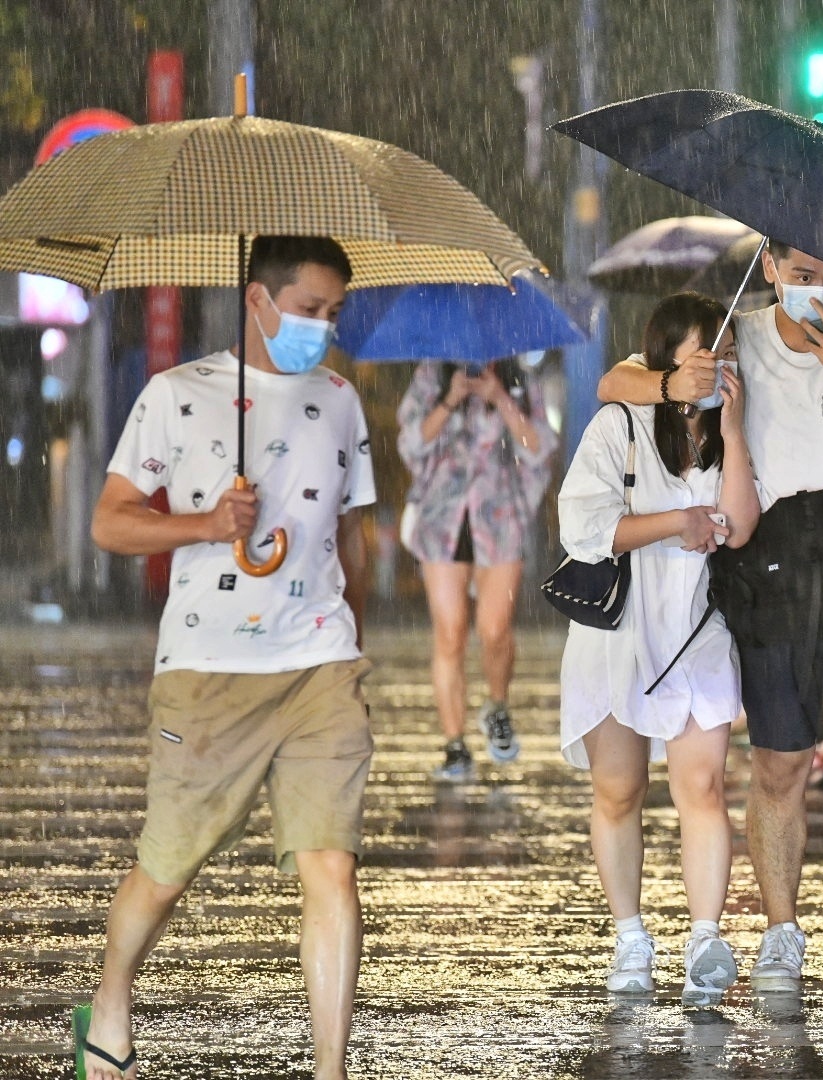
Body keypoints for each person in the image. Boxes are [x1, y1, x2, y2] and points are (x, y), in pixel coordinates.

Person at [598, 240, 823, 1003]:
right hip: (768, 582)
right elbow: (613, 383)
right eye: (804, 276)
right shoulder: (733, 342)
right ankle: (781, 932)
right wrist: (670, 379)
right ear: (772, 267)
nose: (819, 292)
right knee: (778, 765)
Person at [82, 236, 373, 1080]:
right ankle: (110, 995)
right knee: (167, 868)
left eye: (333, 313)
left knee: (331, 865)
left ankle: (330, 1069)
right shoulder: (176, 395)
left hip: (321, 662)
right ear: (258, 299)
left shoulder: (343, 400)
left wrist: (357, 641)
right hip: (207, 668)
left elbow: (350, 534)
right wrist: (205, 526)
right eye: (309, 309)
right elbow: (111, 522)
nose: (321, 328)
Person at [560, 292, 760, 1007]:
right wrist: (676, 521)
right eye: (712, 351)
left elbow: (738, 527)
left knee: (702, 788)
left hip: (697, 625)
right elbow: (584, 528)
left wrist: (732, 430)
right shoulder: (619, 422)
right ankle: (630, 937)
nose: (724, 366)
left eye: (732, 353)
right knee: (619, 791)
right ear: (672, 356)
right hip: (620, 628)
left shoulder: (733, 426)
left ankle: (705, 936)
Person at [397, 357, 555, 782]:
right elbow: (412, 443)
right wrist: (451, 399)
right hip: (442, 519)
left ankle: (497, 705)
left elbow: (539, 448)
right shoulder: (433, 374)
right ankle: (454, 745)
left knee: (495, 629)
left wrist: (499, 397)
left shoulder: (518, 377)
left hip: (500, 518)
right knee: (449, 632)